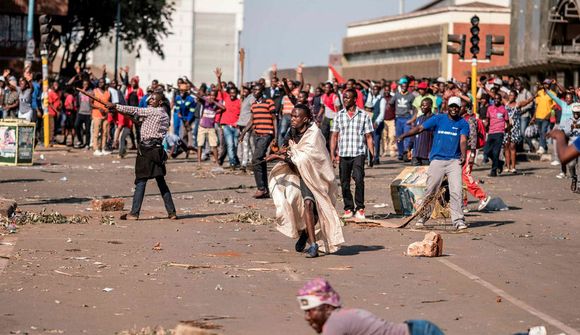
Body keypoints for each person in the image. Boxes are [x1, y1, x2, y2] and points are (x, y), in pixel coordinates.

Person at [267, 104, 344, 258]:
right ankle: (312, 243)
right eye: (292, 115)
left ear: (306, 119)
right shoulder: (292, 132)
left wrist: (279, 156)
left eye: (296, 117)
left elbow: (309, 158)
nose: (292, 119)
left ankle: (307, 238)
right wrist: (283, 153)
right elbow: (292, 155)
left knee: (317, 209)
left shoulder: (314, 134)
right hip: (302, 175)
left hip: (318, 177)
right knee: (302, 203)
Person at [398, 96, 469, 230]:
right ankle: (423, 217)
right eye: (451, 106)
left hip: (454, 161)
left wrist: (464, 155)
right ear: (448, 107)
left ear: (459, 108)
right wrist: (404, 136)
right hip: (437, 160)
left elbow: (463, 140)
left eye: (456, 107)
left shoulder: (462, 123)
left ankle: (458, 220)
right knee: (431, 190)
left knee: (456, 191)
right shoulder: (438, 118)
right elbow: (420, 128)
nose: (454, 109)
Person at [106, 92, 177, 220]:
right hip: (157, 150)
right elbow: (148, 124)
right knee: (161, 181)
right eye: (150, 99)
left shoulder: (153, 112)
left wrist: (115, 106)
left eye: (153, 99)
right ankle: (172, 212)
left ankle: (134, 213)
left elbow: (135, 110)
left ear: (160, 102)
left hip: (147, 150)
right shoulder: (164, 115)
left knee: (141, 181)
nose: (150, 101)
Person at [297, 278, 444, 335]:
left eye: (311, 311)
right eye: (306, 312)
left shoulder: (334, 324)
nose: (307, 317)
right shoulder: (339, 317)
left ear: (328, 307)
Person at [330, 89, 374, 220]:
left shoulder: (364, 115)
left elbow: (369, 137)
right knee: (344, 183)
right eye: (344, 98)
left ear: (355, 99)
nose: (345, 100)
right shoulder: (339, 115)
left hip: (358, 153)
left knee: (359, 179)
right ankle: (348, 208)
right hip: (344, 154)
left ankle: (360, 208)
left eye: (347, 98)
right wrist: (332, 154)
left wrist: (372, 155)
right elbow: (334, 136)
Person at [239, 84, 277, 199]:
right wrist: (243, 132)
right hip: (258, 134)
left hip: (267, 134)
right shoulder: (254, 105)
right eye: (254, 90)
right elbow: (252, 120)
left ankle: (261, 188)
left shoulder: (269, 102)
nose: (255, 92)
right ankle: (265, 189)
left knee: (256, 159)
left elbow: (275, 119)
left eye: (257, 90)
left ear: (262, 91)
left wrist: (275, 136)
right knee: (260, 161)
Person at [460, 99, 491, 212]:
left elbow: (473, 138)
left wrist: (472, 154)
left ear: (466, 108)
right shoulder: (461, 119)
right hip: (460, 151)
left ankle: (483, 197)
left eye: (462, 106)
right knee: (459, 179)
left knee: (465, 176)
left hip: (468, 151)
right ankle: (463, 204)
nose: (459, 108)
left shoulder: (470, 120)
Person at [215, 68, 241, 168]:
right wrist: (219, 78)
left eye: (234, 93)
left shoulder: (239, 102)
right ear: (229, 93)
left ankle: (234, 160)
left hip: (236, 127)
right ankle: (232, 162)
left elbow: (241, 114)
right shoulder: (226, 97)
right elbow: (220, 89)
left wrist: (238, 123)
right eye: (231, 93)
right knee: (230, 145)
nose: (232, 94)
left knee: (234, 146)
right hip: (226, 126)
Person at [196, 90, 225, 166]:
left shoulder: (216, 105)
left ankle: (217, 162)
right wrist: (205, 98)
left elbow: (223, 108)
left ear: (215, 96)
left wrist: (214, 102)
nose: (212, 97)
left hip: (211, 127)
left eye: (213, 95)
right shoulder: (205, 102)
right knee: (200, 144)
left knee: (214, 145)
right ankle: (199, 162)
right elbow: (198, 97)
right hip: (202, 127)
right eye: (210, 95)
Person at [556, 103, 580, 192]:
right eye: (575, 112)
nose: (576, 114)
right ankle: (574, 178)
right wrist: (571, 128)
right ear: (573, 112)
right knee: (571, 165)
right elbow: (565, 134)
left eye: (578, 112)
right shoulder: (568, 121)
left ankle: (579, 185)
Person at [483, 92, 508, 177]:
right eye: (495, 99)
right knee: (486, 151)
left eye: (498, 99)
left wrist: (507, 130)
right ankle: (499, 163)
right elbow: (487, 119)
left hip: (499, 133)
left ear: (500, 100)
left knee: (495, 152)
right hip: (491, 132)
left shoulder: (503, 109)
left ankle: (493, 171)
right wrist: (485, 124)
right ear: (493, 100)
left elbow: (507, 121)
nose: (496, 100)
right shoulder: (489, 108)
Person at [391, 77, 415, 161]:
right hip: (398, 118)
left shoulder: (411, 96)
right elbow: (391, 103)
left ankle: (406, 152)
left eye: (405, 86)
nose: (404, 87)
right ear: (400, 86)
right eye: (402, 86)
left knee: (407, 136)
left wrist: (412, 119)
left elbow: (414, 108)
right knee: (399, 136)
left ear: (407, 86)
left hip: (407, 118)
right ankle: (400, 153)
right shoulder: (397, 94)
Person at [532, 80, 555, 155]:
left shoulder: (553, 93)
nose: (546, 85)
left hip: (546, 116)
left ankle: (541, 147)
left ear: (550, 85)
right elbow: (537, 105)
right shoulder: (539, 92)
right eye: (544, 84)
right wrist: (534, 116)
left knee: (543, 131)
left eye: (547, 84)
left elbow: (554, 106)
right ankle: (545, 147)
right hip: (538, 115)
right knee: (540, 132)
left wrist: (551, 115)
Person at [410, 99, 434, 166]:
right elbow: (413, 133)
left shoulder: (435, 119)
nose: (422, 107)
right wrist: (410, 147)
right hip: (416, 154)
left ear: (430, 106)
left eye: (424, 105)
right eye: (421, 105)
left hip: (427, 155)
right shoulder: (419, 118)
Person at [317, 82, 341, 149]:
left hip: (334, 119)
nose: (326, 89)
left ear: (331, 88)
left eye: (327, 87)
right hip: (326, 118)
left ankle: (332, 152)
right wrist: (318, 116)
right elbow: (322, 108)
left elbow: (339, 110)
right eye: (325, 87)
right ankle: (325, 150)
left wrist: (339, 120)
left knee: (332, 136)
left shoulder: (335, 97)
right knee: (323, 135)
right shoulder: (323, 97)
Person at [91, 78, 111, 155]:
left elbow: (109, 103)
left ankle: (103, 148)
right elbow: (91, 103)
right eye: (99, 82)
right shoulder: (95, 91)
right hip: (97, 115)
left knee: (105, 132)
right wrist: (99, 108)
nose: (100, 83)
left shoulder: (108, 93)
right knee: (96, 132)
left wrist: (107, 110)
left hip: (105, 115)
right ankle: (96, 149)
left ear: (105, 83)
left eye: (102, 82)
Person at [237, 86, 255, 171]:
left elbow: (253, 110)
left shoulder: (251, 98)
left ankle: (244, 163)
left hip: (247, 125)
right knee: (249, 144)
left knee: (246, 144)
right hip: (242, 124)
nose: (244, 91)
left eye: (246, 90)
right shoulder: (245, 98)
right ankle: (251, 161)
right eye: (243, 90)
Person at [75, 80, 93, 149]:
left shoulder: (91, 92)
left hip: (88, 113)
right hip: (81, 112)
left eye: (87, 84)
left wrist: (91, 113)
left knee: (87, 129)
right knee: (76, 125)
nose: (85, 85)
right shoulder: (80, 92)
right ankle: (80, 140)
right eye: (84, 84)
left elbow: (91, 103)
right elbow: (78, 103)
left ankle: (87, 143)